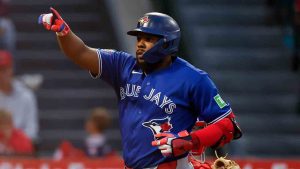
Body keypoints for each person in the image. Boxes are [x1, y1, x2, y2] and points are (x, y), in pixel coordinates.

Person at [39, 8, 242, 169]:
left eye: (148, 39)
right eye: (139, 39)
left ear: (167, 42)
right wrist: (64, 32)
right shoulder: (123, 66)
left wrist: (190, 140)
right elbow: (81, 53)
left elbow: (228, 125)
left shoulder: (193, 78)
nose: (140, 45)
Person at [0, 50, 39, 141]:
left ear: (11, 69)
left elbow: (32, 131)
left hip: (20, 148)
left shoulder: (26, 96)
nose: (1, 75)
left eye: (4, 69)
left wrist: (14, 139)